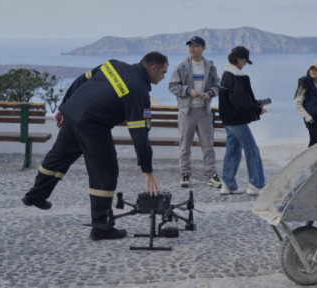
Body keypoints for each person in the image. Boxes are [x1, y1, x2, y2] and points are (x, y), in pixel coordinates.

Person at [22, 52, 168, 241]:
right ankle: (101, 227)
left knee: (58, 158)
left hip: (73, 112)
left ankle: (35, 195)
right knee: (105, 171)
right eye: (163, 72)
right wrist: (148, 172)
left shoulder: (115, 65)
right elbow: (140, 135)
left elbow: (81, 80)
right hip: (92, 124)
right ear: (153, 68)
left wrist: (64, 106)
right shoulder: (138, 90)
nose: (163, 77)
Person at [168, 36, 222, 189]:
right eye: (190, 45)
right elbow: (172, 86)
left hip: (204, 111)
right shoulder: (182, 67)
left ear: (203, 48)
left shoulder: (210, 67)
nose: (192, 48)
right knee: (184, 144)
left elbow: (218, 85)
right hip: (187, 112)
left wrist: (210, 93)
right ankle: (185, 174)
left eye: (196, 46)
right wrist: (187, 91)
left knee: (208, 145)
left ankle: (212, 174)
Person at [217, 46, 266, 196]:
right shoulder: (235, 76)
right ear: (239, 59)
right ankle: (256, 185)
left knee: (233, 150)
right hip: (237, 121)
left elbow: (236, 100)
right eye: (244, 61)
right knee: (252, 150)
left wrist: (254, 103)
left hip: (228, 120)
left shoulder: (226, 75)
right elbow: (240, 103)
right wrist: (257, 109)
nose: (245, 64)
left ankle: (228, 185)